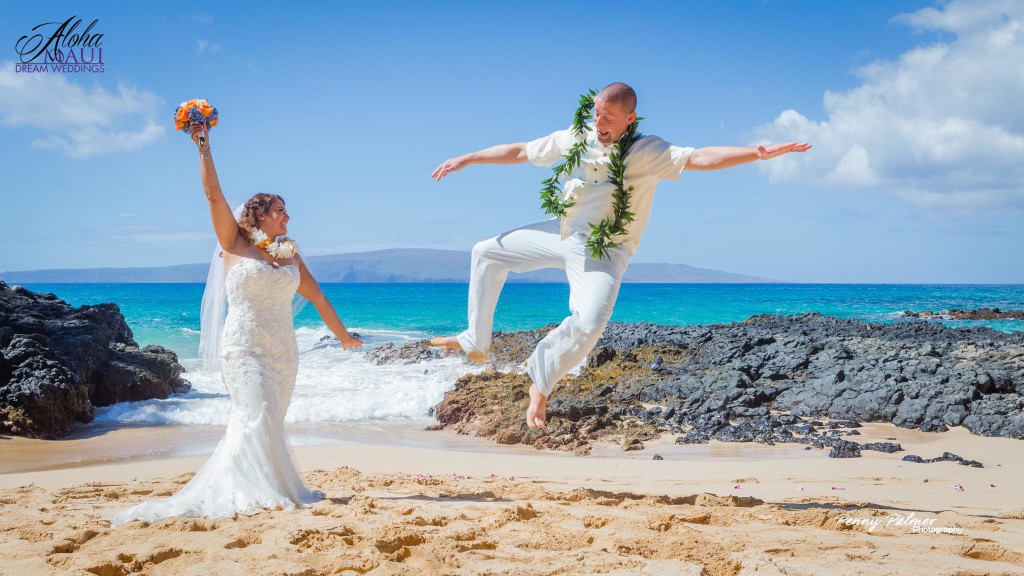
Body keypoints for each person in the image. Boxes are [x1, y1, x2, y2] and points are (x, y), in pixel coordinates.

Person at [429, 82, 810, 429]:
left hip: (605, 248)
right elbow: (519, 151)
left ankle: (540, 386)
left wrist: (757, 153)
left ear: (629, 119)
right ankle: (476, 340)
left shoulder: (648, 152)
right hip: (563, 231)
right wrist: (468, 158)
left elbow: (701, 158)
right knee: (485, 252)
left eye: (608, 117)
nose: (598, 122)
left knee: (591, 320)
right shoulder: (576, 138)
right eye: (596, 113)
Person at [111, 122, 364, 526]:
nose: (288, 216)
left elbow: (318, 298)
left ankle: (274, 487)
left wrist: (343, 337)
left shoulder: (291, 257)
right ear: (260, 214)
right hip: (244, 347)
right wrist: (203, 147)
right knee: (254, 415)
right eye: (281, 210)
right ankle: (249, 492)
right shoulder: (234, 245)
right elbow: (213, 195)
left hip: (283, 351)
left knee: (271, 420)